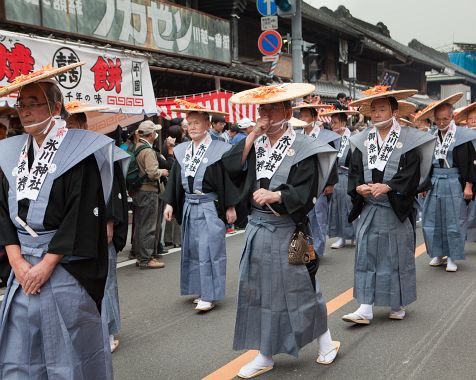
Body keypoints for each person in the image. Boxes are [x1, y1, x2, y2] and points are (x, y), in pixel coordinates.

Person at [0, 63, 113, 378]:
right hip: (22, 269)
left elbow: (80, 215)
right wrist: (17, 262)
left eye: (34, 104)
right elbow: (1, 212)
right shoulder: (11, 154)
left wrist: (46, 265)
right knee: (22, 353)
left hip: (63, 268)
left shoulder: (78, 152)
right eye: (21, 105)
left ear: (56, 107)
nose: (25, 111)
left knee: (71, 352)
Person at [223, 83, 340, 378]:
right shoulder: (256, 144)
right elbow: (229, 168)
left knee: (302, 286)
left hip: (292, 228)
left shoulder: (303, 146)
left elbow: (307, 190)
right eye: (261, 109)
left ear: (287, 112)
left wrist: (278, 196)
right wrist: (252, 134)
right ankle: (265, 352)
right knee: (259, 290)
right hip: (258, 228)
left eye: (271, 108)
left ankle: (325, 341)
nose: (264, 114)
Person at [342, 86, 435, 324]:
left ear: (394, 111)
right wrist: (358, 188)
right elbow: (354, 172)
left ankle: (397, 302)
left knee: (396, 256)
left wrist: (390, 186)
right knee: (366, 255)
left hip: (394, 206)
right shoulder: (361, 140)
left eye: (382, 109)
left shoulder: (409, 139)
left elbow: (412, 174)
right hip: (370, 207)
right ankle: (365, 305)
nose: (376, 114)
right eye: (373, 110)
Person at [66, 103, 130, 354]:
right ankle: (89, 328)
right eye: (64, 126)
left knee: (107, 280)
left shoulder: (102, 149)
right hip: (77, 228)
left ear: (83, 125)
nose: (68, 131)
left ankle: (110, 328)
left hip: (102, 223)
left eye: (72, 125)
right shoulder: (63, 153)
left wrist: (109, 222)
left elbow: (114, 189)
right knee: (80, 282)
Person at [163, 101, 237, 312]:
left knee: (209, 249)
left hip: (209, 206)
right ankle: (199, 289)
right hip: (188, 205)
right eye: (190, 123)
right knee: (193, 249)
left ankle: (210, 293)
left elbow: (227, 179)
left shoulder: (220, 149)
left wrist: (230, 206)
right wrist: (169, 203)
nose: (192, 127)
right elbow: (176, 178)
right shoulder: (183, 150)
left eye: (197, 122)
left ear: (207, 123)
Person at [416, 94, 476, 272]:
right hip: (434, 181)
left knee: (454, 220)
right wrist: (424, 185)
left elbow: (471, 163)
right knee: (432, 219)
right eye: (438, 119)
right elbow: (425, 164)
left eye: (446, 119)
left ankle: (451, 256)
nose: (442, 122)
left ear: (452, 118)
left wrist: (468, 185)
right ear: (434, 119)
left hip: (454, 181)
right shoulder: (432, 137)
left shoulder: (463, 136)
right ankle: (437, 253)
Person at [294, 103, 340, 257]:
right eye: (301, 116)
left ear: (314, 118)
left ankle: (317, 251)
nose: (303, 119)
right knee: (302, 216)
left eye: (307, 116)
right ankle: (304, 248)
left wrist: (330, 183)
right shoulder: (296, 135)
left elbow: (332, 160)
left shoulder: (325, 136)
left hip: (320, 180)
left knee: (318, 216)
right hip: (300, 182)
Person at [320, 109, 361, 248]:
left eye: (335, 122)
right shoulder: (332, 139)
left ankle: (354, 235)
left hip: (349, 176)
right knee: (336, 207)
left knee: (350, 206)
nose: (333, 125)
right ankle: (341, 237)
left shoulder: (354, 137)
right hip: (336, 176)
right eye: (331, 122)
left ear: (343, 122)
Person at [132, 120, 169, 269]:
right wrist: (163, 172)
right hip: (148, 191)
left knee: (141, 225)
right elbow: (153, 173)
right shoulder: (148, 150)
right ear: (151, 134)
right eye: (155, 132)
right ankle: (147, 259)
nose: (156, 134)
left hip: (140, 191)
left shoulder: (138, 147)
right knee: (148, 226)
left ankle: (141, 256)